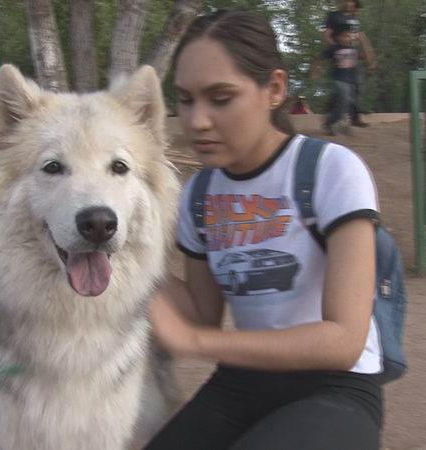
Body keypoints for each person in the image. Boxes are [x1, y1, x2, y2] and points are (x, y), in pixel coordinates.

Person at [145, 8, 382, 450]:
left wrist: (197, 340)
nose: (197, 120)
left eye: (220, 98)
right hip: (242, 383)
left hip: (335, 389)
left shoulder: (331, 170)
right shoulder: (198, 193)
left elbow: (344, 340)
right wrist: (117, 259)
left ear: (273, 89)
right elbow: (200, 312)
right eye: (186, 98)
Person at [322, 0, 375, 127]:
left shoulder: (354, 19)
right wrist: (336, 49)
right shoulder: (333, 16)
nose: (348, 3)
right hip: (340, 57)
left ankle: (354, 117)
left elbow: (361, 38)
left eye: (351, 1)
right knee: (342, 86)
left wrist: (370, 56)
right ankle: (333, 111)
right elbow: (326, 35)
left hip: (353, 56)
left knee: (357, 84)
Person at [310, 24, 359, 136]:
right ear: (337, 38)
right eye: (344, 36)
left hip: (350, 81)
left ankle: (336, 122)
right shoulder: (334, 49)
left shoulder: (354, 49)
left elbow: (358, 62)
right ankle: (330, 123)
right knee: (344, 99)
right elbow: (319, 58)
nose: (347, 38)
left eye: (349, 36)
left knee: (345, 103)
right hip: (338, 79)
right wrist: (315, 72)